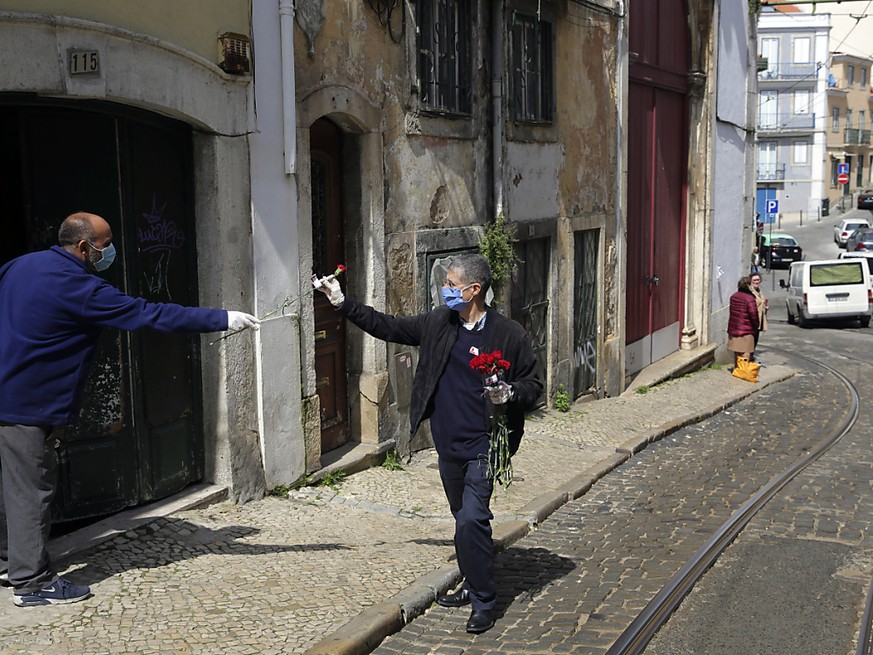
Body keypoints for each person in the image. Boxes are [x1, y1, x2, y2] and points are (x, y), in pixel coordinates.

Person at [0, 212, 259, 607]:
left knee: (10, 486)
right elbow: (150, 314)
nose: (110, 252)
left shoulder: (19, 265)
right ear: (84, 247)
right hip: (29, 405)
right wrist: (222, 318)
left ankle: (9, 562)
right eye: (105, 245)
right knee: (32, 491)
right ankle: (32, 583)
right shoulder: (82, 287)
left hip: (8, 395)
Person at [315, 253, 542, 634]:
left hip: (487, 443)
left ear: (474, 290)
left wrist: (509, 393)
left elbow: (533, 386)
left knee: (472, 518)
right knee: (463, 520)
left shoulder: (509, 334)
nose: (445, 290)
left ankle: (484, 601)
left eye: (452, 285)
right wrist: (341, 302)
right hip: (447, 443)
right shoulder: (439, 322)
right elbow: (387, 326)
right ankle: (472, 582)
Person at [727, 275, 759, 369]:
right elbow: (753, 315)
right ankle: (743, 370)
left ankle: (737, 368)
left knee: (737, 351)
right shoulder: (750, 299)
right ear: (748, 285)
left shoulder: (734, 296)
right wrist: (756, 326)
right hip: (746, 329)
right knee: (746, 351)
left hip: (734, 328)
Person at [749, 271, 768, 360]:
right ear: (751, 281)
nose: (757, 282)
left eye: (758, 280)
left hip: (759, 319)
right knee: (751, 339)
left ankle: (751, 356)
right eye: (755, 280)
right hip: (753, 320)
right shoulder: (750, 291)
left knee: (756, 339)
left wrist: (765, 307)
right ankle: (749, 357)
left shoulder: (759, 291)